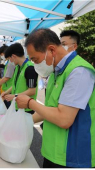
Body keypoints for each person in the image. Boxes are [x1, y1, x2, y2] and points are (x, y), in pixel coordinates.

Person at [16, 28, 95, 168]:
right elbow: (49, 110)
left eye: (35, 59)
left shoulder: (79, 71)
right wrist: (22, 123)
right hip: (52, 152)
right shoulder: (55, 73)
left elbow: (64, 119)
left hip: (72, 156)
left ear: (51, 50)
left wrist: (30, 102)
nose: (34, 64)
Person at [1, 43, 38, 114]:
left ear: (13, 56)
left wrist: (14, 96)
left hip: (26, 109)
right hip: (17, 106)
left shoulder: (30, 68)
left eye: (9, 59)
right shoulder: (18, 67)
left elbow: (32, 91)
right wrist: (6, 92)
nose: (10, 62)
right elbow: (15, 85)